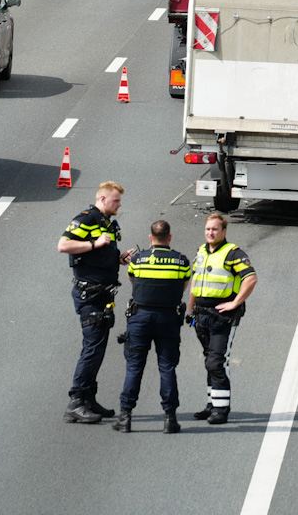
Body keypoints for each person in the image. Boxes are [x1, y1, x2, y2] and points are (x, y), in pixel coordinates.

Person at [58, 181, 131, 424]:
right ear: (102, 199)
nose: (119, 205)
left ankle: (89, 398)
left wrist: (118, 259)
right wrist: (93, 244)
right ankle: (76, 401)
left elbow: (102, 253)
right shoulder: (87, 218)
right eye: (116, 201)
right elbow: (63, 245)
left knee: (98, 347)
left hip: (103, 294)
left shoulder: (108, 222)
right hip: (89, 294)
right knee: (92, 347)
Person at [113, 219, 193, 434]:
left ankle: (125, 417)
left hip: (140, 318)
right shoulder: (181, 262)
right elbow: (184, 286)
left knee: (134, 367)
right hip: (168, 319)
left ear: (150, 237)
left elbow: (133, 282)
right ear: (170, 237)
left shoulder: (138, 260)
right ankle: (170, 419)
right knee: (167, 367)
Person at [186, 213, 258, 425]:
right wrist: (189, 311)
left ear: (224, 231)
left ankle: (221, 409)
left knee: (216, 361)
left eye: (215, 229)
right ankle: (212, 404)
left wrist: (235, 303)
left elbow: (251, 278)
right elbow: (195, 283)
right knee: (209, 360)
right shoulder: (201, 252)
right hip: (201, 315)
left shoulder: (233, 253)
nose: (210, 233)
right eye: (208, 229)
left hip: (222, 317)